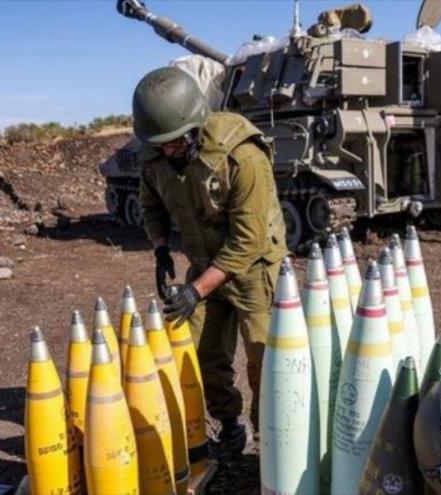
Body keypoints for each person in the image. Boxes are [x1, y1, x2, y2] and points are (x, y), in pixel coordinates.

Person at [133, 65, 287, 457]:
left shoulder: (244, 158)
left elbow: (248, 241)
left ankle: (270, 439)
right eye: (159, 144)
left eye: (173, 143)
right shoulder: (156, 156)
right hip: (203, 264)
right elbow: (150, 204)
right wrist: (161, 249)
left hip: (254, 272)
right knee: (199, 352)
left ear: (195, 126)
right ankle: (231, 424)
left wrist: (195, 290)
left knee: (265, 359)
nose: (166, 151)